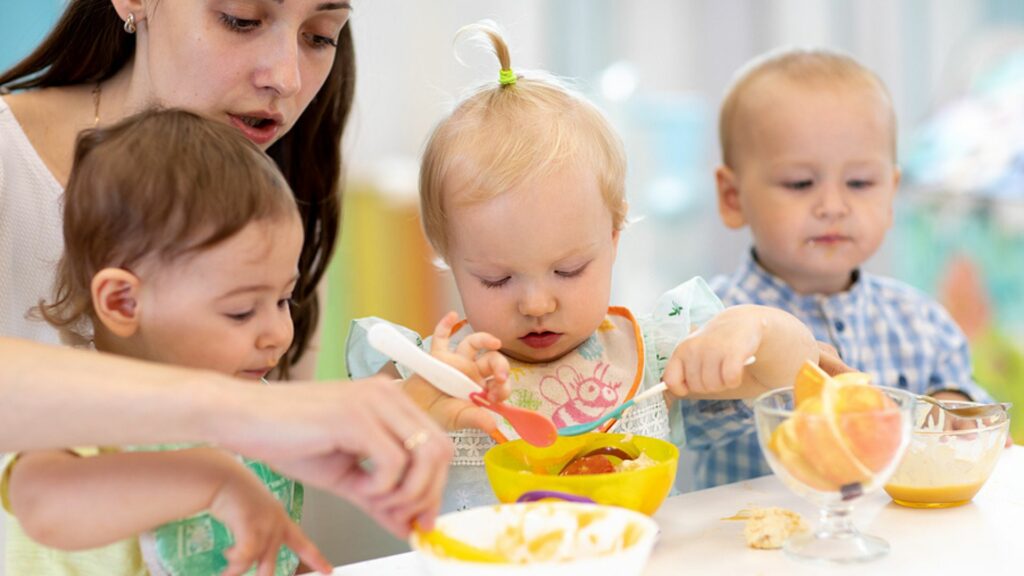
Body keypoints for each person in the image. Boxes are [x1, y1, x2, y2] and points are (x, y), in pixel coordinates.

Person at [0, 0, 482, 538]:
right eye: (241, 20)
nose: (287, 79)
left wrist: (405, 410)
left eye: (321, 36)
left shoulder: (280, 191)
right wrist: (251, 419)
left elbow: (281, 456)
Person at [346, 23, 821, 512]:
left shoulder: (653, 353)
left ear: (613, 239)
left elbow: (793, 378)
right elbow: (354, 463)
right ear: (447, 256)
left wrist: (756, 327)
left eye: (569, 270)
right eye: (496, 279)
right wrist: (415, 411)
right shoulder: (436, 379)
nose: (536, 303)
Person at [680, 47, 999, 491]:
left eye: (860, 183)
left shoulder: (921, 323)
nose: (833, 206)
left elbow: (978, 421)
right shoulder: (710, 319)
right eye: (800, 183)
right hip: (751, 554)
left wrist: (951, 407)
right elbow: (689, 430)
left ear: (890, 192)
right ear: (733, 198)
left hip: (892, 553)